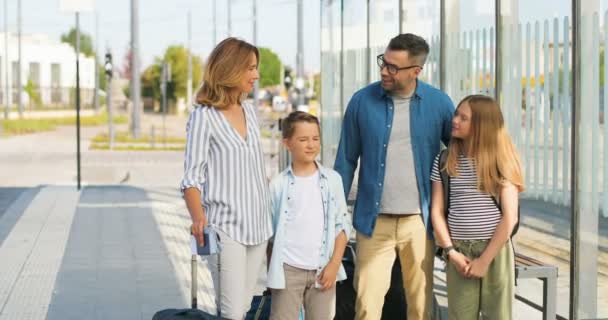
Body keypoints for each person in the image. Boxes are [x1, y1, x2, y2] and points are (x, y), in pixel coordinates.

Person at [334, 33, 455, 320]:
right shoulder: (361, 102)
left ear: (416, 71)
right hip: (373, 223)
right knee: (366, 305)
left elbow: (460, 155)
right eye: (383, 63)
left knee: (420, 305)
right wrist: (333, 217)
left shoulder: (439, 104)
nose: (384, 71)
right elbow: (345, 162)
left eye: (393, 67)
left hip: (419, 222)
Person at [180, 37, 272, 320]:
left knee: (242, 308)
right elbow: (191, 178)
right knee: (232, 312)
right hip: (226, 228)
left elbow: (258, 171)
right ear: (230, 70)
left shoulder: (250, 112)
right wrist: (198, 219)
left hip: (259, 225)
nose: (256, 75)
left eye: (256, 68)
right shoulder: (204, 117)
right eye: (250, 68)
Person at [430, 95, 524, 320]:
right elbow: (436, 212)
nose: (455, 120)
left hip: (495, 252)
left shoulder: (501, 161)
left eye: (464, 118)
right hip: (459, 253)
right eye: (456, 114)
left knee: (498, 316)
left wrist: (484, 261)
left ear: (481, 126)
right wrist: (450, 252)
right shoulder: (444, 160)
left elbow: (509, 219)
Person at [267, 111, 352, 320]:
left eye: (315, 139)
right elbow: (270, 235)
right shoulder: (278, 185)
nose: (311, 145)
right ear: (287, 143)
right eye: (303, 139)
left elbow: (342, 227)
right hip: (287, 271)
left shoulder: (332, 180)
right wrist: (272, 273)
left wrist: (334, 265)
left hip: (323, 270)